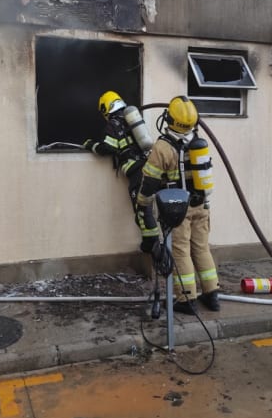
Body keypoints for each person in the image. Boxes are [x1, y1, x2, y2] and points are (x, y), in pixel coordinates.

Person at [136, 96, 220, 315]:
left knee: (181, 252)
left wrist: (142, 203)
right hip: (202, 205)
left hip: (178, 209)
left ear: (170, 119)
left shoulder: (163, 147)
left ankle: (187, 299)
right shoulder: (197, 142)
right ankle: (212, 295)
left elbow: (150, 181)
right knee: (201, 248)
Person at [84, 91, 159, 252]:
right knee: (147, 207)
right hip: (149, 168)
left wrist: (90, 145)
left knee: (142, 209)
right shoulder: (130, 120)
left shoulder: (113, 124)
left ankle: (151, 244)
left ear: (106, 108)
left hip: (136, 172)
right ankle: (155, 243)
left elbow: (107, 147)